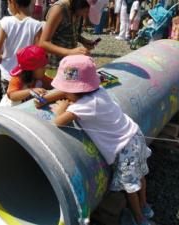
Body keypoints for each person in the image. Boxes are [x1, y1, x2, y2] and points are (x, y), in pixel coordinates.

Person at [37, 55, 154, 225]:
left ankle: (139, 219)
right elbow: (70, 91)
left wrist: (61, 108)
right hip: (135, 135)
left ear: (74, 90)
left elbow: (57, 122)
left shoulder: (84, 106)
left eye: (66, 89)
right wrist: (47, 98)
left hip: (124, 149)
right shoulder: (98, 91)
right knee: (140, 174)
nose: (64, 93)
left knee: (130, 186)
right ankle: (145, 206)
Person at [39, 0, 107, 77]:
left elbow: (68, 31)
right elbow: (43, 43)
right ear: (81, 3)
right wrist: (70, 52)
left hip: (70, 63)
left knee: (73, 87)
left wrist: (84, 41)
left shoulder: (76, 9)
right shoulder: (59, 9)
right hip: (55, 67)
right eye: (87, 11)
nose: (86, 14)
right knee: (58, 88)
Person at [0, 0, 43, 94]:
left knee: (8, 100)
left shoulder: (5, 22)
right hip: (26, 75)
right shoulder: (36, 25)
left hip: (8, 73)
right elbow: (38, 51)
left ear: (13, 3)